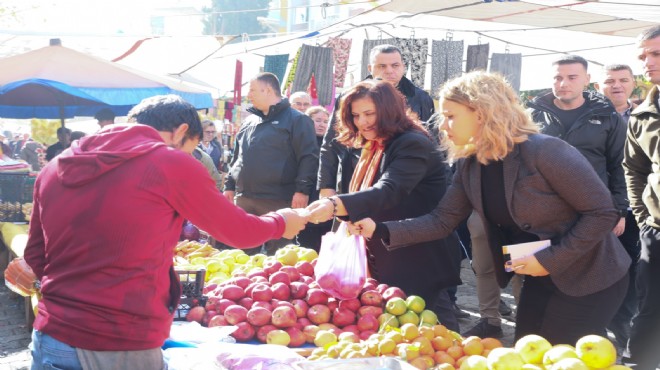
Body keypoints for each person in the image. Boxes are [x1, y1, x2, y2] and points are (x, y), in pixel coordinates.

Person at [24, 94, 308, 370]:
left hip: (50, 336)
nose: (189, 156)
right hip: (117, 340)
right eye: (190, 148)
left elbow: (36, 257)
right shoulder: (169, 162)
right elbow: (239, 232)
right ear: (180, 131)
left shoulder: (53, 167)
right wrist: (282, 221)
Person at [351, 71, 630, 345]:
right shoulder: (470, 163)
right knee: (526, 353)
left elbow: (602, 212)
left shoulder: (546, 151)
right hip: (539, 278)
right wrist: (379, 229)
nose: (443, 126)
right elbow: (442, 220)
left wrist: (550, 260)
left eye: (450, 116)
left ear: (482, 113)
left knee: (559, 358)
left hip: (590, 277)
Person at [305, 80, 463, 330]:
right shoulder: (372, 144)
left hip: (417, 256)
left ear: (389, 110)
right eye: (356, 115)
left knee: (438, 335)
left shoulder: (412, 143)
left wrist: (335, 204)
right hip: (384, 253)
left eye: (369, 114)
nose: (362, 122)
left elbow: (389, 190)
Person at [527, 55, 628, 235]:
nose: (563, 83)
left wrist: (620, 210)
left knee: (596, 262)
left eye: (572, 77)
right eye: (558, 78)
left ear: (587, 80)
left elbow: (620, 165)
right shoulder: (531, 116)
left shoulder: (608, 117)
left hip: (593, 209)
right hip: (542, 210)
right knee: (545, 262)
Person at [318, 44, 435, 199]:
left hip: (403, 179)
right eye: (381, 66)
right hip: (354, 174)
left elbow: (431, 142)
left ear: (403, 67)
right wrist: (326, 185)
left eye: (395, 65)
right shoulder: (350, 96)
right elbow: (332, 142)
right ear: (370, 68)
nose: (389, 71)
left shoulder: (420, 98)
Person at [224, 72, 318, 255]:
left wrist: (302, 190)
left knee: (279, 255)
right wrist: (229, 185)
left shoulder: (298, 119)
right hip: (245, 198)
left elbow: (308, 156)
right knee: (241, 254)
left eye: (252, 90)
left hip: (279, 198)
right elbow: (237, 157)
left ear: (267, 90)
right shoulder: (249, 121)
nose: (248, 94)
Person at [594, 63, 640, 349]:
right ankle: (598, 325)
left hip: (638, 209)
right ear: (598, 86)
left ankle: (623, 323)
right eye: (610, 80)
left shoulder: (646, 116)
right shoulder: (590, 118)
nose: (617, 85)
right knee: (600, 268)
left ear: (634, 83)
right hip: (600, 208)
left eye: (623, 80)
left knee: (632, 269)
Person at [622, 24, 660, 370]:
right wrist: (642, 217)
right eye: (643, 56)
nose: (648, 62)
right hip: (656, 230)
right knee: (650, 309)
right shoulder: (642, 113)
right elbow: (633, 168)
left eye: (656, 54)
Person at [296, 106, 333, 251]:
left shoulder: (332, 145)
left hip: (324, 200)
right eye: (317, 120)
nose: (322, 124)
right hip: (302, 198)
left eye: (325, 121)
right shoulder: (299, 143)